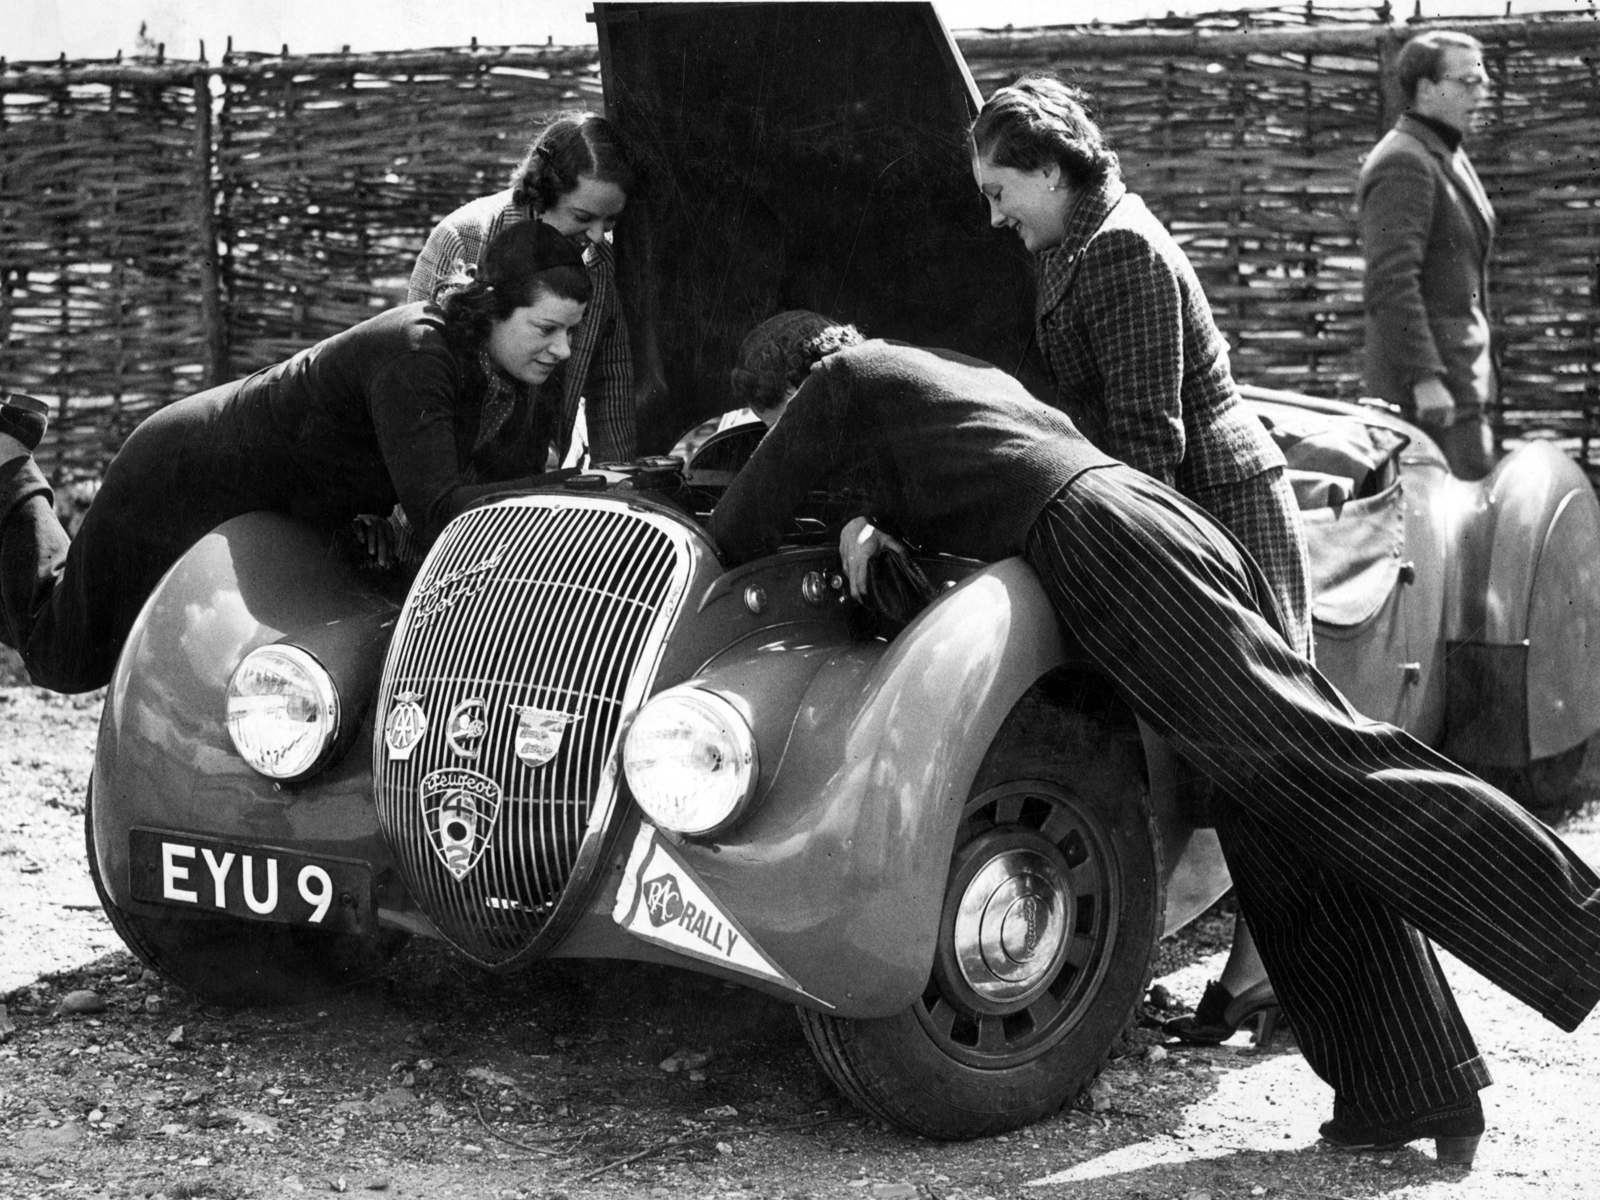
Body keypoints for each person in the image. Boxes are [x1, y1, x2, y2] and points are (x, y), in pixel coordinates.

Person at [712, 310, 1600, 1165]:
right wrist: (865, 526)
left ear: (795, 382)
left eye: (777, 420)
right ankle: (1413, 1086)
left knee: (1323, 764)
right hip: (1151, 525)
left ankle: (1581, 922)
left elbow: (744, 523)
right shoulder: (930, 376)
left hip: (1106, 540)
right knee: (1275, 811)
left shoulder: (843, 376)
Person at [970, 74, 1303, 1046]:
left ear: (1046, 168)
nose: (992, 215)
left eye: (999, 191)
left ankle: (1269, 977)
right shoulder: (1076, 238)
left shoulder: (1115, 250)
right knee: (1238, 746)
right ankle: (1256, 975)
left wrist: (1120, 567)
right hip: (1188, 499)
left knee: (1263, 742)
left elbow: (1148, 439)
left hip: (1214, 506)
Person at [0, 221, 589, 695]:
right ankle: (10, 459)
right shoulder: (420, 351)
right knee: (64, 660)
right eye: (547, 328)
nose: (562, 349)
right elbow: (442, 511)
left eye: (572, 332)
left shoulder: (488, 363)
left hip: (263, 502)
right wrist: (568, 497)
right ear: (492, 308)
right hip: (183, 474)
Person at [408, 112, 638, 466]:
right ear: (542, 193)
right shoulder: (463, 239)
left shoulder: (600, 263)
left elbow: (611, 378)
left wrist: (617, 481)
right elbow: (418, 368)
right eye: (582, 217)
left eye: (610, 220)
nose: (596, 236)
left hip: (534, 461)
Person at [1358, 31, 1497, 481]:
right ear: (1424, 88)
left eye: (1484, 80)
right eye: (1467, 81)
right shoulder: (1404, 162)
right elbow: (1391, 280)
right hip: (1430, 399)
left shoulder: (1445, 153)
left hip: (1458, 384)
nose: (1483, 90)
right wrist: (1425, 378)